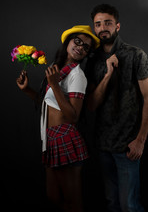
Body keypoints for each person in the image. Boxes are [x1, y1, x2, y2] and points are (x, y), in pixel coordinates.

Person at [16, 25, 100, 212]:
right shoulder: (58, 69)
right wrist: (27, 90)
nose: (80, 47)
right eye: (77, 41)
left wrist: (54, 85)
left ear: (86, 54)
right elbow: (49, 103)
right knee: (53, 196)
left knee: (73, 202)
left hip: (65, 137)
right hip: (51, 138)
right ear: (68, 41)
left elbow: (73, 116)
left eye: (85, 47)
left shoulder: (77, 75)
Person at [85, 4, 148, 212]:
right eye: (98, 24)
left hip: (128, 146)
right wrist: (107, 75)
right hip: (103, 145)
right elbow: (91, 105)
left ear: (117, 26)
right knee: (112, 204)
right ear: (94, 28)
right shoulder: (92, 60)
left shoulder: (136, 55)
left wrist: (140, 140)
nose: (102, 28)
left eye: (107, 22)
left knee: (130, 206)